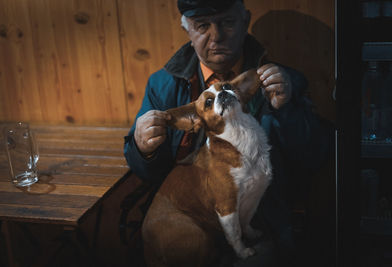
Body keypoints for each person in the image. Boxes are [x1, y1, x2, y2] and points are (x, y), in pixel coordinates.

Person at [124, 0, 332, 265]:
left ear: (245, 21)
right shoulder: (162, 85)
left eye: (227, 22)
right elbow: (147, 172)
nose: (217, 36)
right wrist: (143, 149)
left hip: (261, 226)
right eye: (202, 26)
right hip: (190, 223)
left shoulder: (282, 82)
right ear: (186, 28)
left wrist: (287, 109)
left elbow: (316, 156)